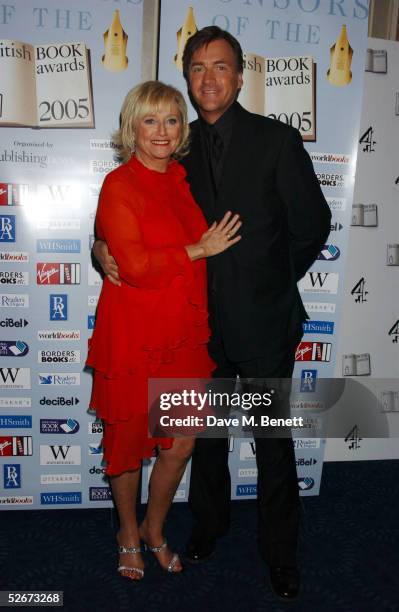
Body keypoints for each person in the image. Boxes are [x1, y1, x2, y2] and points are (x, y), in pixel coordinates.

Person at [93, 27, 331, 600]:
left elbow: (313, 225)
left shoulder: (277, 140)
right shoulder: (177, 145)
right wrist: (100, 249)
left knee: (273, 444)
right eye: (197, 68)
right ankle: (208, 528)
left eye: (220, 66)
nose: (208, 78)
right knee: (206, 442)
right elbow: (128, 216)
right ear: (187, 78)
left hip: (264, 325)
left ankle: (280, 555)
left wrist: (270, 288)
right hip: (197, 330)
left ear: (240, 76)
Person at [86, 80, 241, 581]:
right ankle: (127, 532)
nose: (161, 130)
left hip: (180, 334)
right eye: (149, 120)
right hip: (133, 334)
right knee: (129, 444)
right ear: (131, 127)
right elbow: (131, 263)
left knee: (180, 444)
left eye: (171, 119)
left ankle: (155, 528)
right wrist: (199, 250)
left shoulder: (181, 179)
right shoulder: (119, 184)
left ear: (182, 129)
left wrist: (97, 244)